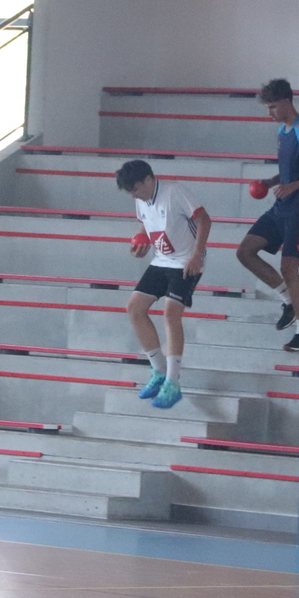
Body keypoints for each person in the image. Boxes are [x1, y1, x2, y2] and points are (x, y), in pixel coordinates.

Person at [116, 159, 212, 410]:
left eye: (135, 189)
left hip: (186, 261)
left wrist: (197, 255)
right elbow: (145, 223)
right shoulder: (141, 199)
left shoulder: (174, 192)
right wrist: (141, 241)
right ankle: (158, 370)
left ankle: (173, 381)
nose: (133, 195)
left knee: (171, 313)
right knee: (134, 308)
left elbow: (204, 220)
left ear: (148, 179)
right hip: (162, 260)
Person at [237, 78, 299, 352]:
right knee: (245, 252)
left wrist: (294, 186)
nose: (269, 113)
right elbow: (292, 168)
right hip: (281, 207)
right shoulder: (283, 131)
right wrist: (272, 180)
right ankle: (288, 300)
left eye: (272, 107)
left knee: (289, 268)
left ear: (286, 101)